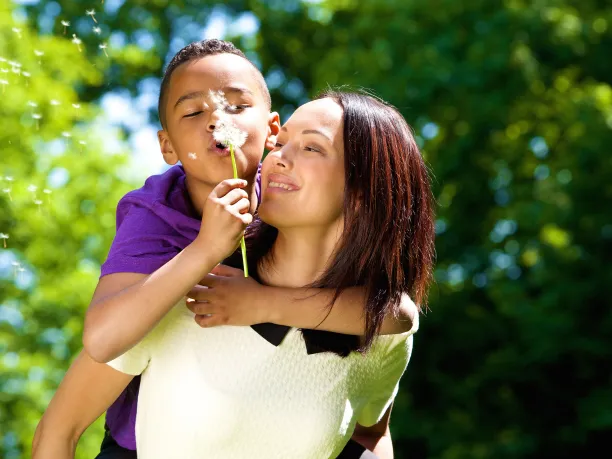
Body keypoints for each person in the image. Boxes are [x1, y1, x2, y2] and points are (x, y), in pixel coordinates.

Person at [34, 39, 417, 459]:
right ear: (168, 147)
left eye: (310, 147)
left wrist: (264, 303)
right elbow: (95, 357)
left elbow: (395, 322)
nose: (280, 159)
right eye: (194, 112)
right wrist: (204, 251)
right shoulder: (170, 258)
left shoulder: (374, 327)